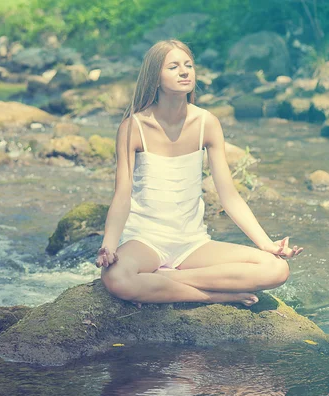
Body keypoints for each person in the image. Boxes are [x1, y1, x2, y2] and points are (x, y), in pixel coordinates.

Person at [95, 39, 303, 307]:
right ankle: (212, 295)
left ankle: (163, 280)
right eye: (173, 67)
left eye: (188, 65)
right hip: (145, 242)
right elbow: (122, 196)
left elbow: (229, 196)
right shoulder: (133, 127)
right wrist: (109, 246)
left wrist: (267, 245)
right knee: (116, 277)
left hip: (192, 244)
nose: (184, 72)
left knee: (276, 269)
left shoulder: (207, 123)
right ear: (154, 77)